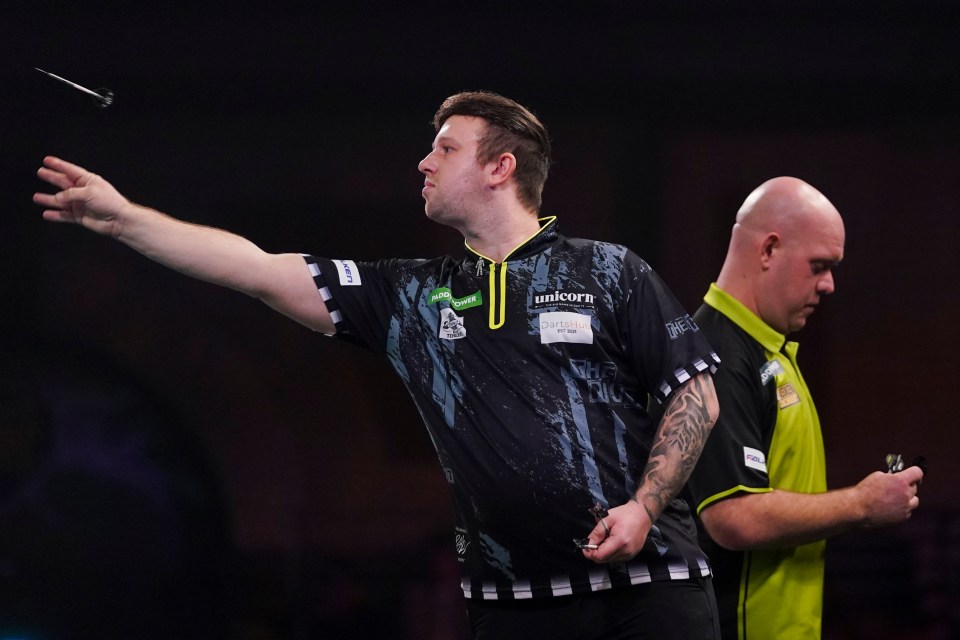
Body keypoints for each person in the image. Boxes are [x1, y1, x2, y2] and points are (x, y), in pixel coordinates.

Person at [34, 91, 722, 640]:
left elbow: (696, 396)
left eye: (444, 149)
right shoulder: (409, 296)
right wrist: (123, 219)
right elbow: (255, 269)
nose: (424, 163)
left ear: (500, 167)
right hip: (514, 605)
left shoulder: (610, 269)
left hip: (651, 589)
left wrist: (644, 506)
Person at [678, 177, 923, 639]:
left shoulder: (767, 351)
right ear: (768, 250)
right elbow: (733, 517)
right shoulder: (716, 356)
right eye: (819, 266)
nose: (829, 285)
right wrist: (862, 504)